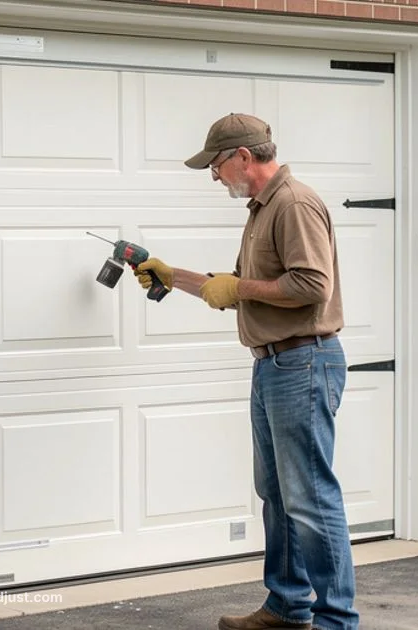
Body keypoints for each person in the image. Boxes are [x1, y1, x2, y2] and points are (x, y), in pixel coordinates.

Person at [134, 113, 358, 630]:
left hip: (304, 361)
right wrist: (177, 276)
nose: (214, 176)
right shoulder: (262, 208)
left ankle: (337, 621)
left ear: (242, 156)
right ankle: (287, 606)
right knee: (277, 494)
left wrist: (238, 289)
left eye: (215, 164)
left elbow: (310, 285)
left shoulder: (294, 204)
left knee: (310, 495)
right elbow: (244, 286)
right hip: (273, 365)